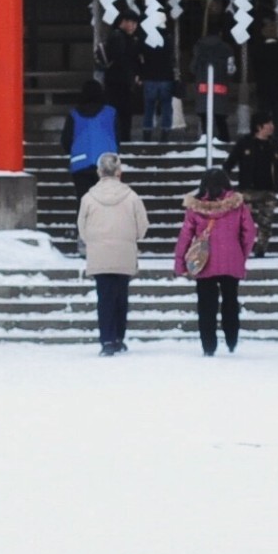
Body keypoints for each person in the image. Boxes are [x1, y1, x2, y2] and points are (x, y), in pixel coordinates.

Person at [173, 167, 255, 356]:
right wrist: (241, 253)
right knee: (230, 301)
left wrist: (180, 262)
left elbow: (185, 236)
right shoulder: (237, 205)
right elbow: (249, 232)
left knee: (206, 305)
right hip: (231, 259)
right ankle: (231, 338)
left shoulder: (195, 208)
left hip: (204, 262)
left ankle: (208, 345)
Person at [78, 152, 149, 356]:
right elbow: (142, 227)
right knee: (121, 296)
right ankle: (119, 336)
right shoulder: (132, 197)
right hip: (124, 252)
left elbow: (82, 228)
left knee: (105, 297)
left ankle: (107, 340)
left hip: (100, 254)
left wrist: (93, 240)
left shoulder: (88, 198)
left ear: (99, 172)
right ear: (119, 172)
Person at [224, 111, 278, 257]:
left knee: (266, 222)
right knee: (243, 222)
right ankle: (241, 247)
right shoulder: (245, 143)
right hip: (248, 190)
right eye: (268, 123)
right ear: (259, 126)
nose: (272, 126)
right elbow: (230, 163)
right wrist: (223, 183)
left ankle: (261, 248)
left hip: (268, 190)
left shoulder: (274, 145)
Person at [61, 79, 118, 201]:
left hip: (80, 164)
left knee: (84, 201)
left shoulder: (74, 114)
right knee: (105, 202)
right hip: (106, 163)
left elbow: (65, 140)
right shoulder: (110, 112)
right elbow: (118, 136)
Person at [189, 22, 237, 144]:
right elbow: (230, 69)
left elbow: (192, 68)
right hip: (220, 87)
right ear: (220, 33)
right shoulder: (227, 48)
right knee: (220, 118)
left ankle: (206, 138)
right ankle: (224, 139)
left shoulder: (199, 47)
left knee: (205, 116)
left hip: (203, 87)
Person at [99, 13, 144, 142]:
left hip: (118, 81)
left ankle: (121, 137)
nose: (133, 26)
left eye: (135, 24)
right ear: (124, 21)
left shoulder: (121, 36)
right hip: (118, 82)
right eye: (132, 23)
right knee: (121, 113)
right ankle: (121, 138)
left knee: (121, 113)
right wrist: (133, 75)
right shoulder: (119, 37)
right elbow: (122, 59)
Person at [250, 19, 278, 135]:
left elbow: (255, 68)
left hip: (263, 86)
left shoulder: (258, 49)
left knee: (263, 113)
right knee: (277, 115)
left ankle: (262, 134)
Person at [139, 31, 178, 142]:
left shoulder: (146, 40)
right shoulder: (168, 40)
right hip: (166, 77)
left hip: (150, 76)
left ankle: (147, 132)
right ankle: (165, 132)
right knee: (166, 106)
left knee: (149, 108)